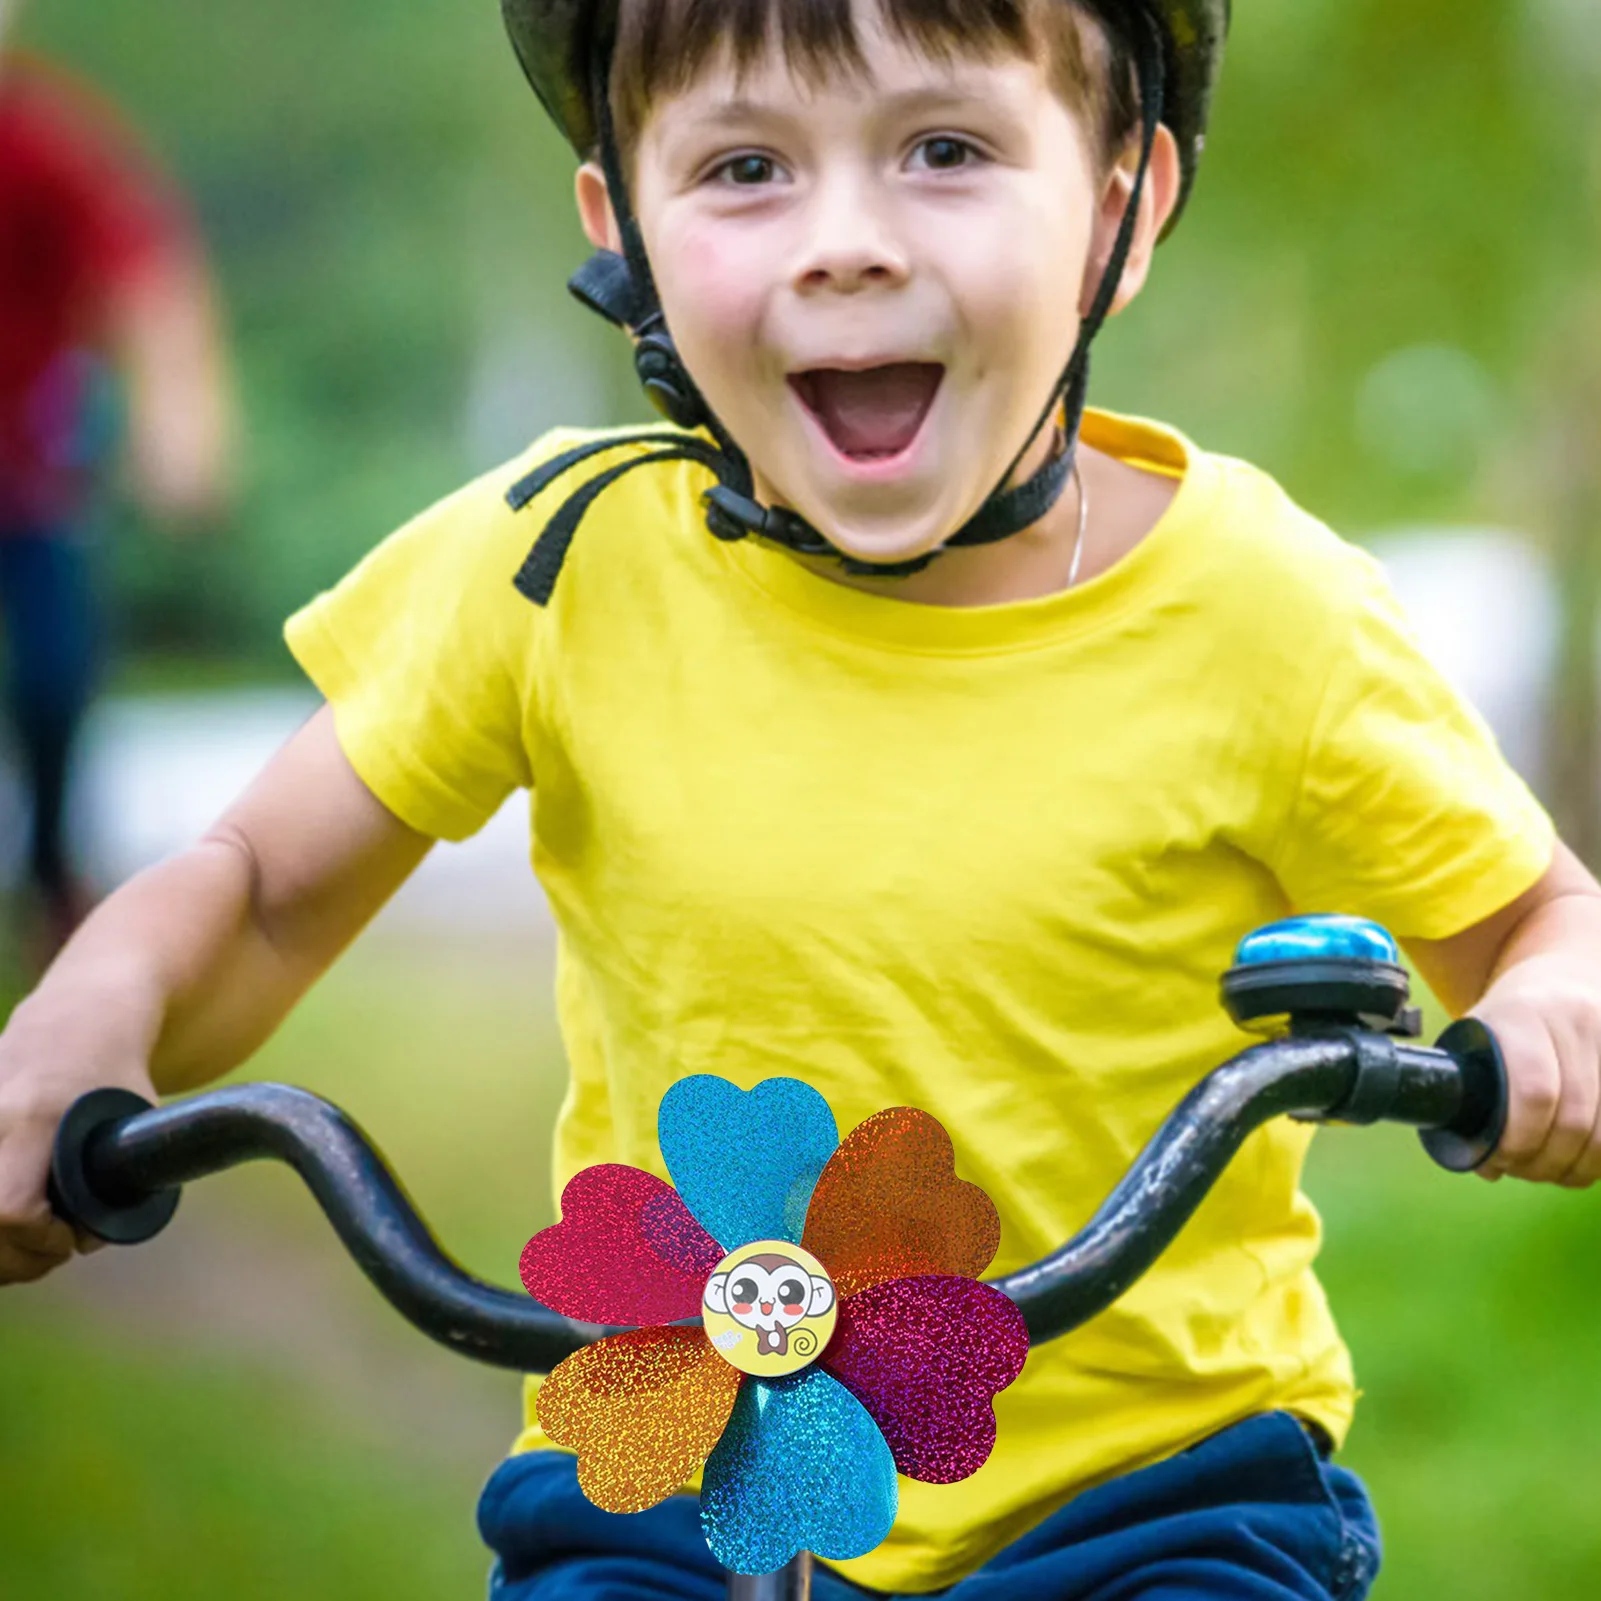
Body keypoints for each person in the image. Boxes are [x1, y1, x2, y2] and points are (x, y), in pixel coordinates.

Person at [2, 0, 1599, 1596]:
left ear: (1119, 213)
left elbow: (1543, 920)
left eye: (946, 149)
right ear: (623, 223)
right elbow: (266, 883)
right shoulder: (559, 561)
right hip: (663, 1471)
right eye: (748, 166)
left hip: (1148, 1504)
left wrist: (1548, 1012)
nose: (845, 243)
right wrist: (91, 1024)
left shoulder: (1266, 615)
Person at [0, 11, 234, 960]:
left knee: (54, 675)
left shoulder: (39, 143)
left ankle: (53, 871)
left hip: (26, 461)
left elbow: (146, 271)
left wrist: (184, 420)